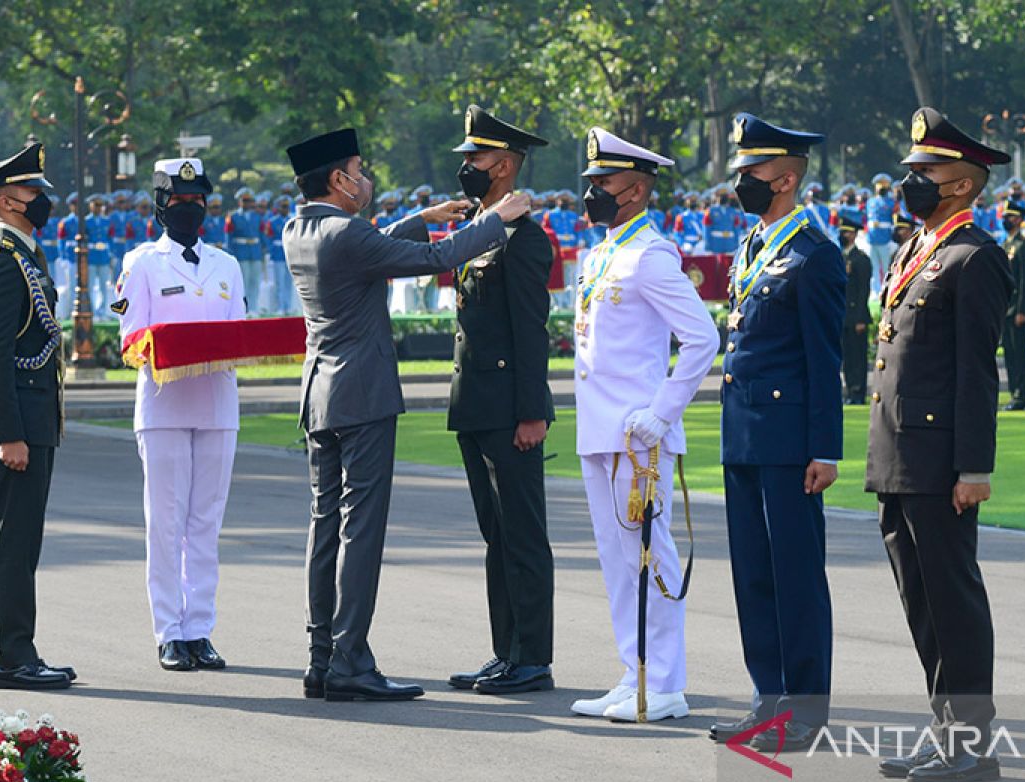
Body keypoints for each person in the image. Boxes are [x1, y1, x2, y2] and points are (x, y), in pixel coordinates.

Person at [283, 127, 530, 702]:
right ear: (340, 180)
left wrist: (423, 213)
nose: (366, 178)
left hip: (321, 394)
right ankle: (350, 661)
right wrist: (497, 219)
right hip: (363, 397)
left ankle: (322, 657)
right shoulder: (348, 233)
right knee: (359, 531)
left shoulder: (301, 228)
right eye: (360, 169)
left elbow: (367, 248)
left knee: (325, 528)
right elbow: (436, 257)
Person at [867, 107, 1013, 782]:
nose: (912, 182)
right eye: (912, 172)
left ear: (961, 184)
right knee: (921, 601)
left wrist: (974, 467)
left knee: (953, 600)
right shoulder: (912, 248)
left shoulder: (975, 256)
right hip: (898, 453)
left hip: (941, 458)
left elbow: (975, 371)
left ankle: (974, 743)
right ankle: (944, 730)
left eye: (926, 172)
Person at [570, 127, 718, 722]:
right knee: (616, 557)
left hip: (638, 438)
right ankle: (634, 672)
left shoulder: (651, 255)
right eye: (592, 183)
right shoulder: (603, 252)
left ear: (634, 190)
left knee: (651, 556)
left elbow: (703, 337)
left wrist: (663, 412)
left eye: (603, 183)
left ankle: (665, 683)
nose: (593, 193)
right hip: (600, 429)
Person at [708, 113, 844, 751]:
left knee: (795, 574)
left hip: (791, 442)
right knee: (753, 575)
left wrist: (825, 448)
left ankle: (805, 707)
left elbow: (824, 359)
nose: (742, 183)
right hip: (744, 435)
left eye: (752, 173)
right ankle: (767, 697)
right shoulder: (753, 245)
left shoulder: (814, 253)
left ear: (786, 178)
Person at [113, 158, 244, 672]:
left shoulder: (226, 265)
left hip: (217, 403)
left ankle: (200, 630)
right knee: (165, 522)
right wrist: (165, 349)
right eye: (179, 201)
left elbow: (238, 334)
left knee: (206, 522)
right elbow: (129, 339)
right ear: (160, 206)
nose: (189, 209)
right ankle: (169, 630)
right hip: (165, 404)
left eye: (196, 201)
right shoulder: (140, 262)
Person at [444, 105, 556, 695]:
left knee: (522, 535)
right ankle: (505, 650)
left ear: (505, 166)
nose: (467, 167)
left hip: (512, 409)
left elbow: (530, 329)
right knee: (497, 536)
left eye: (477, 159)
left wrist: (533, 411)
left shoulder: (522, 239)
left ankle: (532, 655)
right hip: (478, 403)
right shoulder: (483, 230)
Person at [0, 142, 75, 691]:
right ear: (8, 200)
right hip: (16, 428)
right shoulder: (4, 265)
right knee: (12, 543)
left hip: (32, 421)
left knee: (18, 541)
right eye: (33, 193)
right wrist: (11, 434)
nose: (42, 201)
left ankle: (12, 652)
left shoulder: (26, 256)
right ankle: (11, 657)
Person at [999, 199, 1025, 410]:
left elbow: (1024, 282)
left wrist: (1022, 309)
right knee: (1010, 354)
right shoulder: (1006, 244)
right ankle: (1014, 393)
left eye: (1011, 216)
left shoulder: (1023, 246)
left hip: (1017, 309)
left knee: (1020, 354)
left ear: (1019, 220)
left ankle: (1022, 394)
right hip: (1006, 308)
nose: (1007, 219)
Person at [839, 208, 872, 404]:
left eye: (847, 232)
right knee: (847, 358)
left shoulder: (861, 259)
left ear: (854, 234)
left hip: (856, 315)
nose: (843, 235)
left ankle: (858, 392)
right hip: (842, 315)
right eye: (842, 232)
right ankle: (850, 389)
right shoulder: (839, 258)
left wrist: (860, 317)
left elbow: (863, 291)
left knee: (858, 357)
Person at [227, 187, 264, 315]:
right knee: (244, 282)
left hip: (255, 252)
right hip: (241, 251)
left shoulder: (257, 216)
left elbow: (261, 235)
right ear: (240, 202)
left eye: (250, 200)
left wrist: (263, 251)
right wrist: (231, 253)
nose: (248, 203)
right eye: (245, 200)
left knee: (255, 281)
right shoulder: (233, 217)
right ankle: (245, 308)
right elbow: (229, 237)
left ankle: (254, 308)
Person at [866, 173, 896, 292]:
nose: (880, 189)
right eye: (879, 187)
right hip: (872, 238)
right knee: (874, 268)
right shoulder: (871, 201)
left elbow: (893, 220)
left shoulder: (891, 202)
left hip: (885, 238)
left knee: (886, 267)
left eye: (883, 187)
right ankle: (876, 291)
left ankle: (887, 290)